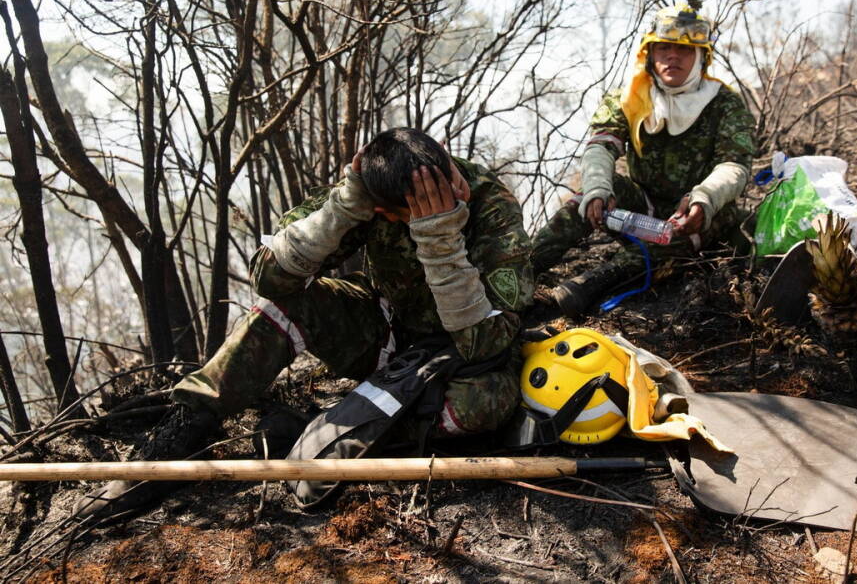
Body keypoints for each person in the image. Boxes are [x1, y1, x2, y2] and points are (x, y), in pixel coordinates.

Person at [75, 127, 534, 519]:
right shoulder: (370, 194)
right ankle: (183, 431)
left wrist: (439, 237)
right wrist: (341, 210)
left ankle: (312, 434)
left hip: (461, 355)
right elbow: (269, 278)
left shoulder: (491, 205)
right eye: (394, 215)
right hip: (389, 333)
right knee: (283, 309)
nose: (401, 221)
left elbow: (483, 343)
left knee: (484, 406)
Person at [531, 3, 756, 317]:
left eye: (683, 49)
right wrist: (598, 188)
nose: (672, 56)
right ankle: (518, 270)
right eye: (663, 48)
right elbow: (601, 145)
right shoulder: (630, 96)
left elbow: (734, 165)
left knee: (695, 230)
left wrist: (704, 198)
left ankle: (588, 285)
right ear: (649, 54)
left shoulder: (724, 103)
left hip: (697, 212)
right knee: (587, 197)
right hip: (641, 207)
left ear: (701, 57)